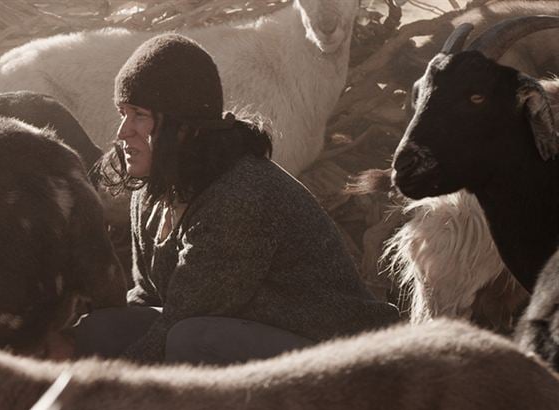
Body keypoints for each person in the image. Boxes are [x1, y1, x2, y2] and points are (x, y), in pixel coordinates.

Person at [72, 33, 399, 364]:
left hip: (343, 357)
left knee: (190, 340)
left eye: (139, 114)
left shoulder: (242, 193)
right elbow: (147, 299)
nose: (122, 131)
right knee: (101, 330)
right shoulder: (152, 194)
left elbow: (182, 318)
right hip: (242, 332)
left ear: (184, 126)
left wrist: (99, 389)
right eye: (122, 112)